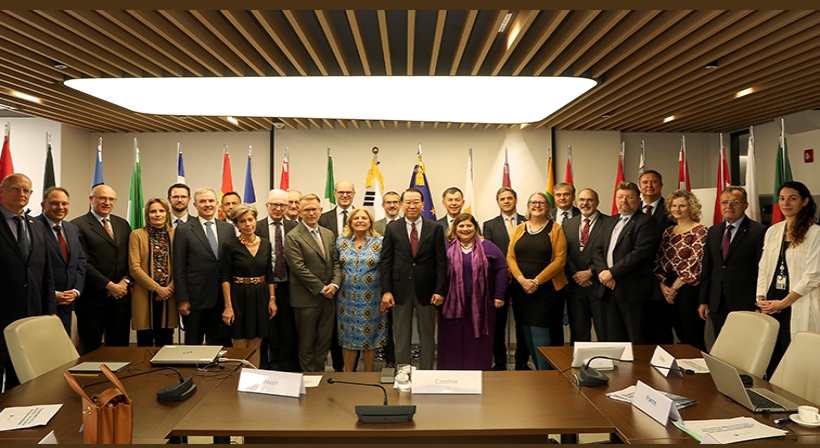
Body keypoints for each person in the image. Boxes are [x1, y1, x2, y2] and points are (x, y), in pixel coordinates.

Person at [757, 181, 820, 378]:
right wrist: (760, 298)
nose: (786, 203)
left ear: (805, 201)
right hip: (771, 301)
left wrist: (784, 303)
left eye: (793, 198)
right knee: (772, 355)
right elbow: (763, 268)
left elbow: (812, 275)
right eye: (782, 198)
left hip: (796, 301)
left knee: (794, 355)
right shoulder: (773, 231)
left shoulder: (814, 232)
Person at [380, 188, 448, 370]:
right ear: (402, 205)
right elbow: (386, 261)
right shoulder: (392, 228)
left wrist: (440, 290)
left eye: (416, 202)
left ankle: (426, 372)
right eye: (408, 202)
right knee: (401, 335)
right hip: (399, 289)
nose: (412, 206)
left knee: (427, 335)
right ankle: (404, 372)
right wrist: (386, 291)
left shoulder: (435, 228)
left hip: (427, 289)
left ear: (423, 205)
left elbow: (441, 262)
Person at [0, 173, 55, 390]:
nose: (21, 194)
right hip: (2, 314)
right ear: (2, 191)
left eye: (26, 190)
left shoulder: (37, 225)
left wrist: (50, 309)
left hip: (31, 314)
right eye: (15, 189)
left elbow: (46, 272)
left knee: (24, 378)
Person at [591, 181, 659, 344]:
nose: (624, 201)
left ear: (638, 199)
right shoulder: (609, 221)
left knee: (637, 339)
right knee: (613, 338)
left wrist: (612, 273)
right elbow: (596, 249)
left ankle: (639, 370)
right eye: (620, 197)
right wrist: (602, 273)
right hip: (608, 289)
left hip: (632, 291)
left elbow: (639, 254)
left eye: (629, 197)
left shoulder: (646, 222)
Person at [506, 192, 568, 370]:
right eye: (533, 202)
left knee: (539, 329)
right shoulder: (519, 228)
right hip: (521, 290)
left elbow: (559, 260)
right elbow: (510, 257)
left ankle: (546, 372)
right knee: (526, 328)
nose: (537, 205)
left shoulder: (555, 229)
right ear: (528, 205)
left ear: (548, 207)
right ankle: (537, 372)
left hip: (546, 290)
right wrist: (521, 280)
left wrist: (536, 281)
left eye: (542, 202)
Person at [440, 213, 508, 370]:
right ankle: (452, 373)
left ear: (475, 227)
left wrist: (499, 295)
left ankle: (478, 372)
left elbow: (502, 269)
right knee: (452, 340)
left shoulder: (488, 246)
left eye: (469, 225)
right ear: (455, 228)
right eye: (461, 225)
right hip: (452, 304)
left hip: (482, 304)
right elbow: (437, 271)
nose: (465, 229)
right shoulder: (446, 247)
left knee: (478, 340)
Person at [698, 186, 766, 337]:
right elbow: (708, 267)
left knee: (743, 344)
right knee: (721, 344)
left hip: (744, 301)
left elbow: (763, 269)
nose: (729, 206)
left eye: (735, 202)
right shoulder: (714, 231)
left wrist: (758, 302)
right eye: (725, 202)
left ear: (745, 205)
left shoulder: (759, 231)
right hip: (717, 302)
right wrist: (703, 300)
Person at [72, 184, 132, 355]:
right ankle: (89, 382)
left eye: (111, 199)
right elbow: (83, 262)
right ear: (91, 199)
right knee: (90, 350)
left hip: (120, 299)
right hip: (92, 300)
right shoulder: (77, 226)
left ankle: (120, 381)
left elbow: (131, 258)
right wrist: (109, 285)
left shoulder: (122, 224)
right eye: (102, 198)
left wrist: (124, 282)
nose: (107, 202)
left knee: (120, 349)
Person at [284, 194, 341, 372]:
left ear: (320, 211)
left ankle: (320, 378)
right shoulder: (293, 236)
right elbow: (298, 268)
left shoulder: (328, 234)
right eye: (306, 210)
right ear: (300, 212)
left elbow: (336, 263)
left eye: (314, 209)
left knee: (324, 341)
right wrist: (322, 288)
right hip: (306, 299)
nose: (311, 213)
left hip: (329, 298)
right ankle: (309, 379)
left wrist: (334, 285)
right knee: (307, 344)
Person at [174, 187, 236, 345]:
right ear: (194, 205)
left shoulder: (228, 228)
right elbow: (179, 267)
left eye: (210, 201)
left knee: (221, 344)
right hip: (196, 299)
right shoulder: (184, 230)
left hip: (222, 298)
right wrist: (182, 299)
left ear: (217, 204)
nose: (207, 204)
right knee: (193, 344)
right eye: (203, 201)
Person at [221, 204, 276, 370]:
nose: (248, 224)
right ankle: (234, 379)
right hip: (239, 295)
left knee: (256, 341)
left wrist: (272, 299)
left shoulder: (265, 244)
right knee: (239, 341)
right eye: (242, 221)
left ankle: (253, 378)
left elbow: (269, 274)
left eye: (250, 219)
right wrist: (228, 307)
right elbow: (225, 277)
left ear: (256, 221)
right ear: (236, 225)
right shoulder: (230, 245)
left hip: (260, 294)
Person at [482, 187, 530, 370]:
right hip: (499, 281)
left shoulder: (528, 222)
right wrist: (506, 270)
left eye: (510, 198)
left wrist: (517, 271)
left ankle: (522, 362)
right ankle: (500, 363)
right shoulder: (489, 225)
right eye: (502, 199)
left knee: (522, 323)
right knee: (498, 325)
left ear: (516, 200)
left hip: (523, 279)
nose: (507, 201)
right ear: (498, 202)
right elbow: (490, 253)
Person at [654, 190, 707, 351]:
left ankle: (700, 372)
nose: (677, 209)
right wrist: (663, 287)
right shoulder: (668, 232)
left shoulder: (700, 230)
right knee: (672, 334)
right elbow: (659, 261)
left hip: (687, 288)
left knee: (691, 336)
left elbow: (695, 263)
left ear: (691, 207)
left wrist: (674, 288)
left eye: (682, 205)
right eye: (674, 206)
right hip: (666, 288)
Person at [336, 207, 387, 372]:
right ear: (350, 222)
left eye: (364, 218)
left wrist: (386, 294)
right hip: (346, 299)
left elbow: (387, 269)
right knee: (347, 338)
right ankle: (349, 376)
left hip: (372, 299)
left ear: (370, 222)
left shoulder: (380, 242)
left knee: (370, 338)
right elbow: (334, 267)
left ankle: (368, 375)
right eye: (356, 218)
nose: (360, 221)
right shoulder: (341, 242)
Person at [256, 189, 299, 371]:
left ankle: (285, 368)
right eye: (274, 204)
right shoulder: (256, 227)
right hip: (262, 287)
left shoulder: (295, 227)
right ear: (267, 206)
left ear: (288, 207)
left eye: (282, 205)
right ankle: (265, 368)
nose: (278, 208)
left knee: (287, 331)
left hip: (289, 286)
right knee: (265, 331)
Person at [36, 187, 87, 335]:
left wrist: (76, 291)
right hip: (43, 303)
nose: (60, 207)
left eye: (64, 203)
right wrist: (53, 294)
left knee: (61, 350)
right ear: (43, 205)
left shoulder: (72, 229)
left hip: (67, 302)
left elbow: (80, 262)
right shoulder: (33, 227)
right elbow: (33, 268)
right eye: (55, 203)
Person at [562, 188, 609, 343]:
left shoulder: (609, 223)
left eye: (590, 200)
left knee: (604, 329)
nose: (585, 203)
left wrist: (590, 272)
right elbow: (564, 253)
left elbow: (610, 252)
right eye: (582, 200)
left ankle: (606, 363)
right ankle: (579, 365)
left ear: (597, 202)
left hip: (599, 285)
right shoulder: (567, 224)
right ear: (577, 201)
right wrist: (576, 274)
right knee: (579, 331)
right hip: (575, 287)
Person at [128, 198, 177, 347]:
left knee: (166, 340)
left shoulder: (176, 234)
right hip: (145, 293)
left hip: (169, 295)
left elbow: (181, 266)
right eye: (153, 211)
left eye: (161, 211)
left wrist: (169, 288)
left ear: (167, 214)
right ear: (147, 215)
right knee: (145, 342)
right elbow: (134, 268)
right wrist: (157, 288)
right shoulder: (137, 235)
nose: (157, 214)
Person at [318, 181, 355, 371]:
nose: (345, 195)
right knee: (334, 326)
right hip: (332, 281)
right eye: (341, 192)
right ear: (335, 194)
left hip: (357, 283)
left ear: (354, 194)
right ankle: (338, 367)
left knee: (353, 325)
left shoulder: (361, 217)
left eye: (349, 192)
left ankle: (352, 368)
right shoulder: (324, 218)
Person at [372, 190, 401, 368]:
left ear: (401, 205)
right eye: (388, 202)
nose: (392, 205)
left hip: (404, 280)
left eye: (395, 202)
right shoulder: (374, 226)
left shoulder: (408, 225)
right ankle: (390, 359)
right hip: (381, 280)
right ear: (383, 205)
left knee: (402, 323)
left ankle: (403, 358)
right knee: (386, 323)